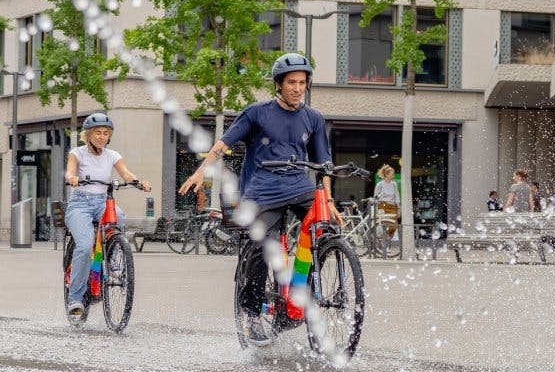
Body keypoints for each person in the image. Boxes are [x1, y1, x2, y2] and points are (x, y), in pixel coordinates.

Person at [178, 53, 338, 319]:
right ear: (278, 84)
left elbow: (324, 163)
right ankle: (251, 310)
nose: (297, 88)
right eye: (291, 83)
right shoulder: (257, 112)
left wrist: (329, 201)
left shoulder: (314, 118)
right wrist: (200, 171)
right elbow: (223, 144)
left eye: (301, 82)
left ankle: (303, 287)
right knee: (259, 245)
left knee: (327, 231)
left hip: (299, 187)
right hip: (263, 190)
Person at [63, 113, 152, 319]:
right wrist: (72, 178)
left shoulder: (112, 155)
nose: (102, 137)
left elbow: (126, 174)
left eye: (105, 133)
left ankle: (111, 261)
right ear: (88, 135)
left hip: (103, 203)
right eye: (98, 133)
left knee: (119, 216)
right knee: (85, 246)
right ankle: (75, 298)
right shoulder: (77, 153)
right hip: (80, 205)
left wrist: (139, 182)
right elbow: (69, 171)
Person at [373, 164, 400, 239]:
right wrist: (376, 209)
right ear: (387, 174)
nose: (393, 176)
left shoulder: (394, 184)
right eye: (392, 174)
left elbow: (397, 196)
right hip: (383, 206)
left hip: (392, 207)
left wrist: (398, 209)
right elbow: (375, 198)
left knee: (394, 226)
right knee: (384, 225)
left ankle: (387, 240)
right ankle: (383, 242)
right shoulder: (380, 184)